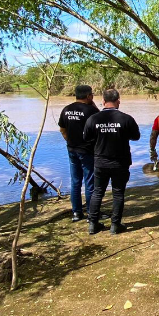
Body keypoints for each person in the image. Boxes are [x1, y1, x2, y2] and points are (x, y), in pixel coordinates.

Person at [82, 89, 141, 235]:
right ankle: (115, 225)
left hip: (100, 162)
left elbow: (86, 138)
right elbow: (136, 136)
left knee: (97, 192)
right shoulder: (126, 119)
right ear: (118, 101)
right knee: (118, 193)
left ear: (103, 102)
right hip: (120, 163)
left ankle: (93, 224)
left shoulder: (93, 119)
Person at [58, 85, 99, 222]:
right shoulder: (91, 110)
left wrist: (70, 141)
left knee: (75, 181)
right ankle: (91, 213)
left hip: (71, 149)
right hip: (87, 150)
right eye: (91, 95)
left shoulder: (66, 109)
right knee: (89, 182)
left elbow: (62, 129)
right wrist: (93, 105)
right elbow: (100, 121)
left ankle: (76, 213)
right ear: (88, 96)